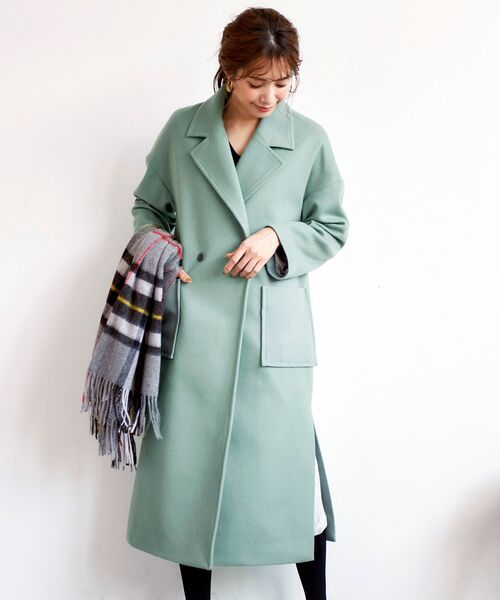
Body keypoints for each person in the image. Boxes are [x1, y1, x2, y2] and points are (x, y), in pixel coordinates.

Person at [126, 7, 349, 599]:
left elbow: (331, 226)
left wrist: (277, 237)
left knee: (292, 487)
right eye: (256, 82)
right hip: (194, 325)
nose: (270, 96)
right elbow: (148, 208)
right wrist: (163, 251)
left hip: (271, 332)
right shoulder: (183, 130)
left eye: (283, 83)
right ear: (227, 71)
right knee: (189, 485)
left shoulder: (309, 141)